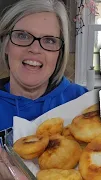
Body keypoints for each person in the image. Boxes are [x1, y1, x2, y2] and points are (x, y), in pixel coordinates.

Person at [0, 0, 88, 178]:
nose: (34, 49)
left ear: (59, 53)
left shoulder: (83, 102)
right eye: (22, 36)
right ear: (6, 44)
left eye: (49, 40)